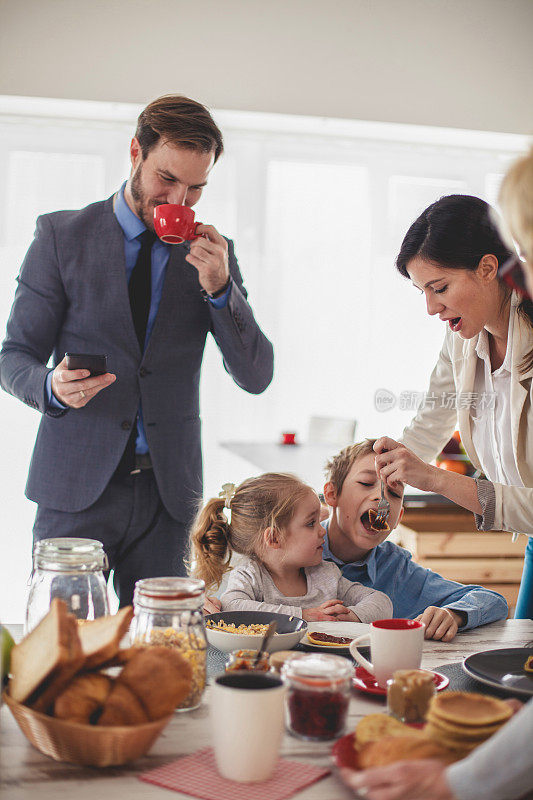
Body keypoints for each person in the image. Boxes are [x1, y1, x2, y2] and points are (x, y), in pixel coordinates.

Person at [0, 94, 274, 606]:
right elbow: (13, 355)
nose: (180, 200)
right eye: (166, 179)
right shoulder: (60, 236)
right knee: (67, 649)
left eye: (196, 188)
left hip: (169, 499)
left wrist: (220, 289)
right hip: (75, 490)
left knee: (162, 656)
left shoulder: (213, 255)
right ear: (135, 153)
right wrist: (50, 388)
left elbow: (256, 374)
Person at [371, 194, 533, 619]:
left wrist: (433, 479)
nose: (430, 308)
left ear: (487, 268)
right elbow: (432, 420)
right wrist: (379, 479)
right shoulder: (463, 338)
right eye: (422, 291)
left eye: (439, 288)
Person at [322, 439, 507, 640]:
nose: (381, 498)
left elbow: (493, 601)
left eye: (392, 493)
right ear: (332, 494)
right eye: (366, 483)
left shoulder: (397, 570)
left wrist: (453, 615)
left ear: (398, 518)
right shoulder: (294, 545)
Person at [188, 473, 392, 622]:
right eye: (311, 523)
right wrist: (302, 616)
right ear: (274, 538)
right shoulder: (251, 576)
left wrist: (353, 616)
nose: (322, 531)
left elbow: (381, 602)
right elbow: (232, 606)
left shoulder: (326, 575)